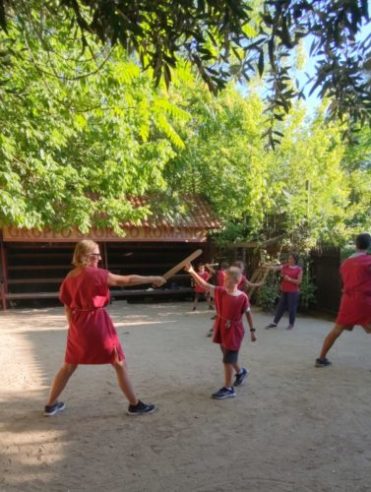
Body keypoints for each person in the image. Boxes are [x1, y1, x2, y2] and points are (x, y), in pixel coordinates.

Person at [44, 239, 166, 417]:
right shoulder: (97, 274)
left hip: (78, 324)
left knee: (69, 366)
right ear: (85, 256)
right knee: (119, 363)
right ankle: (135, 405)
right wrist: (153, 278)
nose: (99, 258)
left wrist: (73, 327)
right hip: (97, 322)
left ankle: (50, 405)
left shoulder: (70, 276)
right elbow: (127, 280)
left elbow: (67, 306)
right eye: (96, 255)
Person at [185, 264, 256, 400]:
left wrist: (252, 330)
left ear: (236, 281)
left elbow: (248, 313)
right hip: (222, 326)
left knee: (227, 358)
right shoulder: (220, 291)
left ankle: (228, 388)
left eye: (227, 279)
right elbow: (205, 284)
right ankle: (241, 372)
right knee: (226, 354)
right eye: (224, 278)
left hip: (234, 331)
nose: (224, 281)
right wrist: (192, 271)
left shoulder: (242, 297)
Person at [315, 233, 371, 367]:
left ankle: (321, 358)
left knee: (337, 330)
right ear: (369, 246)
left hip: (348, 300)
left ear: (356, 244)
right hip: (364, 301)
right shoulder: (368, 261)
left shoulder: (345, 263)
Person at [265, 253, 303, 330]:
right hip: (284, 290)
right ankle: (275, 323)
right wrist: (268, 267)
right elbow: (277, 268)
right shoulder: (285, 266)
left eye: (291, 259)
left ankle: (291, 324)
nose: (289, 260)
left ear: (295, 260)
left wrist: (289, 279)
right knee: (280, 307)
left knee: (292, 308)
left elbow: (299, 282)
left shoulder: (299, 269)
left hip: (293, 291)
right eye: (289, 258)